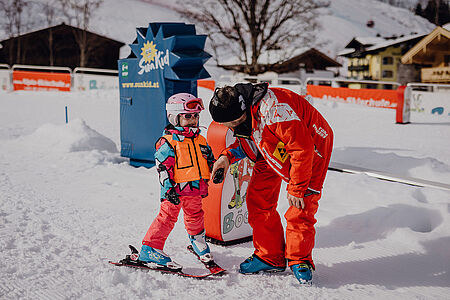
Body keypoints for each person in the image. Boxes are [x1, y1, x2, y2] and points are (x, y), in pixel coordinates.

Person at [209, 83, 333, 284]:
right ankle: (269, 256)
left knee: (299, 205)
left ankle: (299, 259)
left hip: (312, 147)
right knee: (258, 198)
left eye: (231, 123)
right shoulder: (244, 112)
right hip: (274, 144)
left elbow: (302, 150)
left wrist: (297, 188)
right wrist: (226, 157)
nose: (230, 128)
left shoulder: (277, 111)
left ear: (242, 112)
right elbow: (248, 139)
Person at [138, 93, 215, 270]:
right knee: (167, 218)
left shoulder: (201, 140)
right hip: (174, 190)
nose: (193, 120)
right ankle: (150, 248)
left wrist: (215, 168)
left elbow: (209, 159)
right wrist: (168, 189)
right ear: (174, 117)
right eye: (187, 116)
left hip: (194, 188)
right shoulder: (168, 142)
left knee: (195, 215)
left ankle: (198, 240)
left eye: (195, 115)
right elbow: (162, 168)